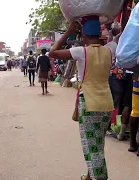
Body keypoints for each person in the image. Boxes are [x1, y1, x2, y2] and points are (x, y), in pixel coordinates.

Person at [49, 18, 119, 180]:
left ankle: (98, 178)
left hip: (88, 102)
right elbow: (117, 38)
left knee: (90, 144)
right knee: (98, 142)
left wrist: (68, 32)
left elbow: (53, 52)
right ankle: (90, 175)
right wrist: (113, 27)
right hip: (107, 102)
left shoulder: (81, 51)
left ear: (84, 34)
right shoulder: (110, 49)